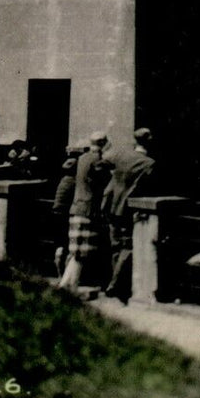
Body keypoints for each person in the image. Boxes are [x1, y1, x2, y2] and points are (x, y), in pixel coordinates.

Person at [102, 128, 156, 304]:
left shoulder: (121, 156)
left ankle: (115, 285)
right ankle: (115, 285)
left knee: (116, 246)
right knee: (127, 247)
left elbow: (103, 164)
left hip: (111, 206)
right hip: (127, 209)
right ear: (148, 141)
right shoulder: (148, 163)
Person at [58, 131, 111, 294]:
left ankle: (67, 284)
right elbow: (106, 182)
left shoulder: (82, 158)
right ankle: (67, 285)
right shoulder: (98, 161)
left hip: (76, 208)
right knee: (81, 252)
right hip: (89, 211)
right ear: (102, 143)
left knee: (76, 251)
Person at [49, 145, 83, 276]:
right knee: (68, 244)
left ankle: (58, 271)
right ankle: (63, 273)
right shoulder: (74, 181)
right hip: (65, 214)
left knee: (59, 244)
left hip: (56, 213)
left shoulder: (64, 180)